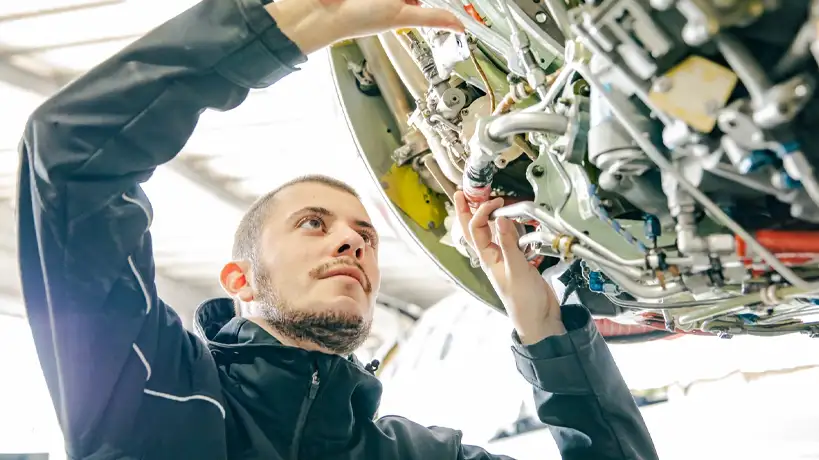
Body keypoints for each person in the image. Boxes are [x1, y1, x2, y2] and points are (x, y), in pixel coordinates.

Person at [15, 0, 658, 458]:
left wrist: (546, 334)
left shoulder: (417, 454)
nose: (350, 242)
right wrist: (266, 32)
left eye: (365, 237)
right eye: (313, 225)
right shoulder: (151, 392)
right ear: (240, 279)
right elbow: (69, 158)